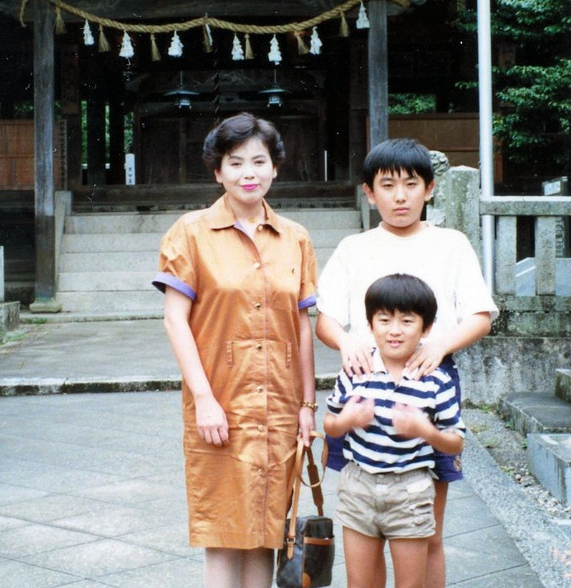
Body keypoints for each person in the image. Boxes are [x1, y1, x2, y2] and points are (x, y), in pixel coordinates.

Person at [316, 138, 498, 588]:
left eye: (411, 184)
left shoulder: (450, 244)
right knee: (364, 528)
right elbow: (326, 319)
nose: (400, 196)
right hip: (363, 388)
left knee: (426, 530)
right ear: (369, 192)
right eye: (388, 185)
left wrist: (439, 347)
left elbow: (480, 315)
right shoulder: (353, 248)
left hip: (427, 385)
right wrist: (344, 342)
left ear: (430, 189)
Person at [152, 112, 318, 588]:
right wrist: (203, 398)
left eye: (260, 161)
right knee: (223, 531)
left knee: (268, 532)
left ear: (275, 168)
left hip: (281, 406)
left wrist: (308, 405)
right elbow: (175, 319)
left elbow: (301, 326)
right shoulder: (190, 232)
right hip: (220, 402)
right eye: (236, 162)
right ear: (217, 171)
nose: (250, 173)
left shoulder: (296, 238)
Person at [324, 273, 466, 588]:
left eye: (407, 321)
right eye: (384, 320)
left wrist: (425, 430)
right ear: (370, 325)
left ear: (426, 328)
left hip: (410, 491)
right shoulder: (355, 373)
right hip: (358, 486)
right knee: (359, 583)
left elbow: (456, 443)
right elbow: (330, 425)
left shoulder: (436, 381)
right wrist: (347, 420)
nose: (395, 330)